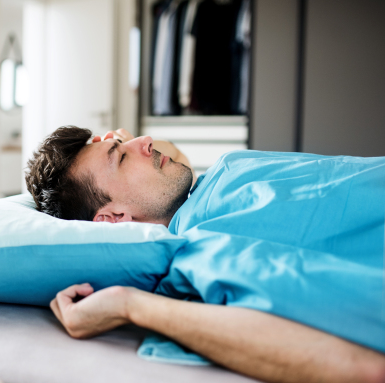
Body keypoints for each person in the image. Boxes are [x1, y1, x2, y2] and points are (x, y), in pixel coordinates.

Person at [25, 126, 385, 383]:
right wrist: (127, 304)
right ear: (114, 218)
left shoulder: (229, 169)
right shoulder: (201, 248)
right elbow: (360, 368)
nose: (145, 141)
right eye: (120, 156)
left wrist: (118, 146)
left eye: (124, 139)